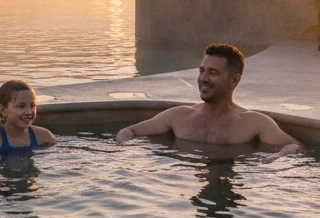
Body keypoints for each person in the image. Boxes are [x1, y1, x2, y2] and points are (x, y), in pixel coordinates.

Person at [116, 43, 303, 150]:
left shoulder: (254, 123)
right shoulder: (178, 116)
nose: (203, 78)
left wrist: (273, 162)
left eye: (213, 73)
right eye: (202, 71)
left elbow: (295, 147)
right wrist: (125, 157)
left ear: (234, 80)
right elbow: (128, 131)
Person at [0, 80, 56, 153]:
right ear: (3, 110)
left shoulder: (44, 136)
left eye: (32, 106)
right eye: (21, 106)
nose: (28, 112)